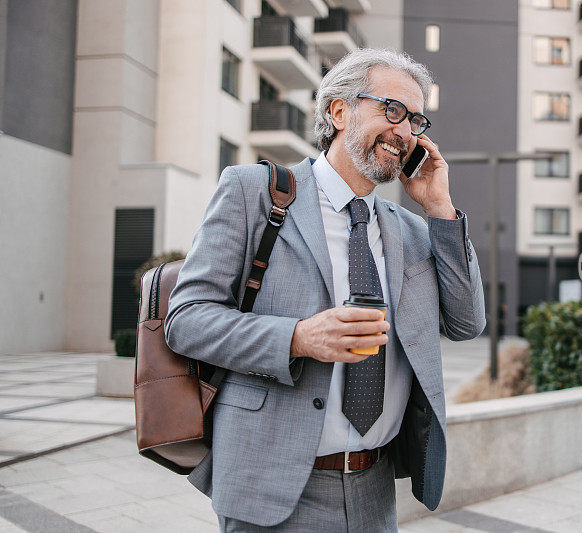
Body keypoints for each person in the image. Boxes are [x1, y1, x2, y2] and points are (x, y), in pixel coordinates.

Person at [164, 48, 486, 532]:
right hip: (271, 489)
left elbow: (466, 323)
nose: (405, 132)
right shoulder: (253, 192)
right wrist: (297, 338)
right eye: (392, 110)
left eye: (416, 120)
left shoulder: (416, 232)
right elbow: (185, 319)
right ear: (339, 110)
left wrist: (440, 208)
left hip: (375, 490)